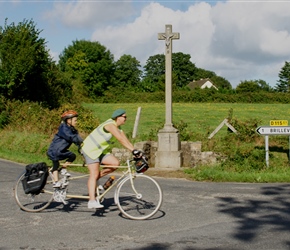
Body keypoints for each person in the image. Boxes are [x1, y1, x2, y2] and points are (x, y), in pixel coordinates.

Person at [81, 108, 142, 209]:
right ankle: (91, 200)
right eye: (124, 117)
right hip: (90, 150)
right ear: (118, 117)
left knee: (115, 163)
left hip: (100, 151)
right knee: (94, 173)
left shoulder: (118, 129)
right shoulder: (110, 125)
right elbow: (120, 139)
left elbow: (126, 141)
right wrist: (133, 151)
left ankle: (95, 180)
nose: (126, 119)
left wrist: (134, 151)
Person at [47, 110, 83, 188]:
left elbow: (77, 138)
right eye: (75, 120)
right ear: (68, 120)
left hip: (61, 151)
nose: (76, 122)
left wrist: (82, 145)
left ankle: (63, 169)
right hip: (54, 150)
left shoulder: (72, 129)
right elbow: (71, 137)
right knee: (56, 164)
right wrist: (78, 141)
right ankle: (56, 182)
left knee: (72, 156)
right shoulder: (63, 128)